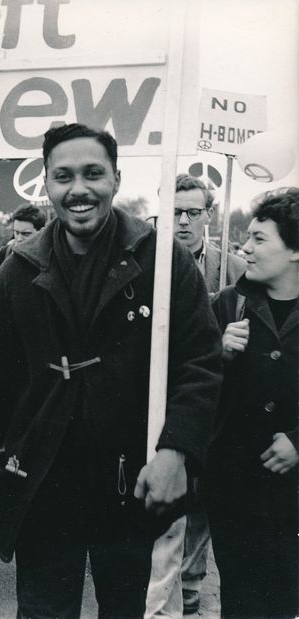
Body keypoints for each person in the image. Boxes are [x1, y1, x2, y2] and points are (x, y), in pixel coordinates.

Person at [0, 123, 223, 618]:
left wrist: (176, 452)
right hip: (42, 478)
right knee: (43, 610)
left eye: (93, 173)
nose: (78, 190)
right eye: (63, 176)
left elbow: (200, 362)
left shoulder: (162, 260)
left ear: (116, 178)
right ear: (46, 184)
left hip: (129, 479)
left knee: (125, 607)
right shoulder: (20, 268)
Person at [146, 174, 246, 618]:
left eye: (193, 212)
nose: (183, 221)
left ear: (210, 215)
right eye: (174, 212)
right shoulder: (144, 263)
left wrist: (228, 344)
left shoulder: (234, 270)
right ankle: (161, 591)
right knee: (165, 498)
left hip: (215, 403)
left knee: (202, 500)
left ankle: (190, 588)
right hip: (157, 399)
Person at [206, 187, 298, 619]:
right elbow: (191, 388)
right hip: (235, 494)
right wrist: (216, 357)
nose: (245, 247)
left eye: (260, 239)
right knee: (241, 604)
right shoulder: (227, 304)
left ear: (295, 249)